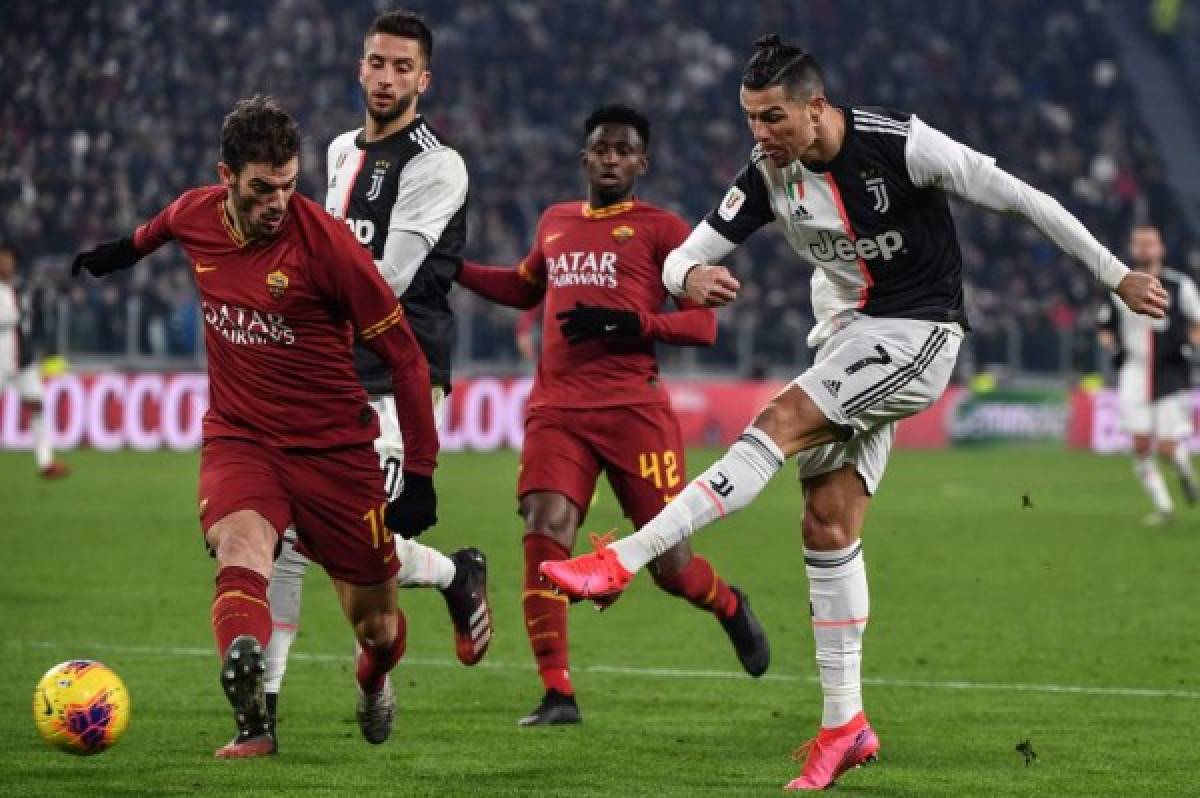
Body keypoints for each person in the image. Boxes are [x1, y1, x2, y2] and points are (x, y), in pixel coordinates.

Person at [539, 36, 1167, 790]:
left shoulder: (902, 146)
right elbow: (682, 257)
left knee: (775, 421)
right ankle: (846, 725)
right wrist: (692, 273)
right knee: (827, 524)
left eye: (773, 118)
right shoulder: (767, 173)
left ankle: (622, 559)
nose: (760, 135)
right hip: (847, 341)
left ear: (815, 107)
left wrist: (1115, 274)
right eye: (749, 119)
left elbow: (1024, 197)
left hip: (922, 333)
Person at [71, 95, 441, 758]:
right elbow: (158, 228)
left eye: (289, 186)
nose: (277, 202)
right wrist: (120, 253)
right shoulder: (196, 213)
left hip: (334, 451)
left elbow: (407, 360)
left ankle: (374, 678)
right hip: (242, 435)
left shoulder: (327, 249)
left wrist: (420, 474)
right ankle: (253, 722)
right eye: (262, 188)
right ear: (227, 177)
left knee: (378, 626)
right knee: (241, 547)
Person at [457, 104, 770, 726]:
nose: (610, 159)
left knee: (670, 568)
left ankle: (730, 605)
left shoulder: (664, 233)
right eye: (601, 148)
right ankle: (557, 692)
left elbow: (703, 324)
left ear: (641, 163)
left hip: (635, 413)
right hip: (558, 412)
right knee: (543, 528)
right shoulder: (555, 222)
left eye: (624, 151)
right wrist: (455, 270)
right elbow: (523, 287)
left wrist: (632, 322)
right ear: (585, 156)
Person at [263, 9, 491, 734]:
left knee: (359, 563)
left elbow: (383, 279)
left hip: (402, 382)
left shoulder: (437, 164)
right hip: (329, 373)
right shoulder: (335, 150)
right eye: (376, 63)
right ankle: (259, 713)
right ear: (360, 68)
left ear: (423, 80)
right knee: (290, 538)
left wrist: (291, 298)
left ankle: (454, 576)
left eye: (402, 68)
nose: (386, 77)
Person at [1097, 223, 1200, 525]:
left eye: (1149, 244)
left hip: (1169, 373)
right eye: (1139, 244)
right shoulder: (1119, 286)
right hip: (1134, 371)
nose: (1144, 249)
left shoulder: (1180, 285)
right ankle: (1165, 508)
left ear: (1160, 249)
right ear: (1132, 249)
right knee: (1141, 445)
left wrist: (1191, 346)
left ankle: (1183, 472)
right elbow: (1105, 327)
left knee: (1167, 448)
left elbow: (1197, 322)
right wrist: (1112, 346)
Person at [0, 242, 69, 479]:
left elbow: (31, 321)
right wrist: (18, 314)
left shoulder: (21, 288)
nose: (6, 263)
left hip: (24, 359)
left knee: (37, 404)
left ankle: (46, 462)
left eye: (8, 259)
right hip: (1, 359)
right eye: (2, 259)